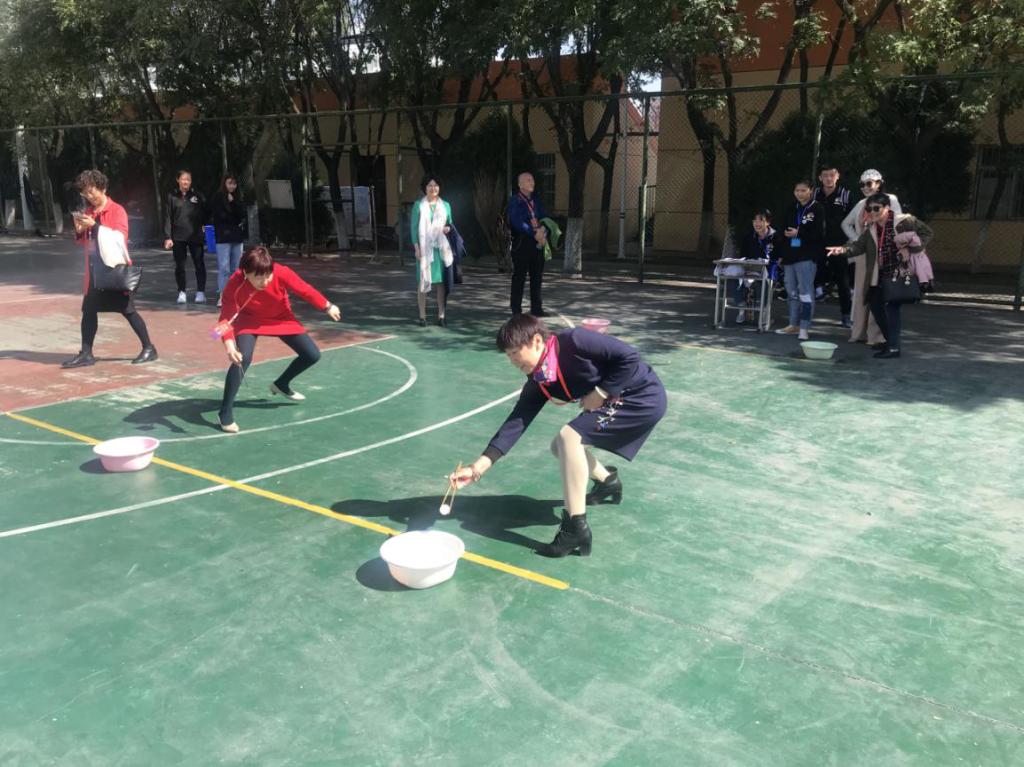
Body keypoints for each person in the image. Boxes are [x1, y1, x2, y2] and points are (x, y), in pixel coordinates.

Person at [448, 314, 667, 558]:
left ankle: (575, 528)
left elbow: (630, 357)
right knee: (559, 446)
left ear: (537, 341)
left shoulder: (574, 341)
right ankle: (608, 482)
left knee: (568, 438)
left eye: (515, 352)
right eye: (508, 356)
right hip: (613, 401)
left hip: (640, 397)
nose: (513, 361)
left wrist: (601, 391)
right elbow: (517, 421)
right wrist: (477, 467)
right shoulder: (541, 379)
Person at [215, 246, 341, 432]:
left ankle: (281, 384)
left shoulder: (281, 272)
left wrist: (327, 306)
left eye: (268, 276)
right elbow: (225, 316)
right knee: (243, 358)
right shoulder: (234, 282)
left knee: (312, 355)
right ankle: (225, 412)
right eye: (259, 277)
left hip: (281, 318)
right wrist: (229, 346)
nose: (265, 282)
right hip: (248, 321)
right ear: (246, 273)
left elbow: (304, 289)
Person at [62, 170, 157, 368]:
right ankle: (86, 353)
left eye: (92, 191)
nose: (89, 196)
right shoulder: (89, 212)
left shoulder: (117, 210)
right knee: (89, 311)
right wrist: (80, 232)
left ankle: (149, 348)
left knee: (128, 310)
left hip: (113, 271)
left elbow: (120, 239)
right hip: (94, 271)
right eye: (85, 193)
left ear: (103, 188)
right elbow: (85, 242)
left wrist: (95, 226)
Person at [827, 192, 932, 359]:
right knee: (876, 307)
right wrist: (842, 250)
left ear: (887, 208)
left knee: (892, 309)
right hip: (878, 274)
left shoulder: (904, 221)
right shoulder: (871, 229)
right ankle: (890, 341)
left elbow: (927, 233)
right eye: (869, 209)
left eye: (876, 208)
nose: (872, 212)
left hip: (898, 273)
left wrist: (910, 248)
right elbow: (858, 247)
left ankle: (894, 348)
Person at [842, 169, 902, 346]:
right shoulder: (861, 203)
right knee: (861, 294)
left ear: (879, 183)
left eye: (869, 183)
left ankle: (877, 337)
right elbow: (845, 224)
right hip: (864, 256)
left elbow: (897, 223)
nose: (865, 187)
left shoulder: (890, 200)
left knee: (880, 295)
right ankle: (859, 333)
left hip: (884, 256)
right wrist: (858, 240)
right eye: (862, 184)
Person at [775, 180, 825, 340]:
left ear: (811, 191)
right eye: (797, 190)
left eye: (803, 190)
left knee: (805, 292)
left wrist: (799, 233)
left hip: (807, 256)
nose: (800, 193)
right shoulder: (791, 208)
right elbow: (782, 230)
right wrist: (781, 253)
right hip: (790, 256)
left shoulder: (817, 208)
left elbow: (818, 234)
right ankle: (793, 324)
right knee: (791, 292)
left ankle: (804, 327)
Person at [813, 163, 854, 326]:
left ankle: (846, 315)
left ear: (837, 177)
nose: (828, 178)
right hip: (817, 243)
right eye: (825, 175)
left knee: (843, 280)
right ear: (820, 178)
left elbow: (852, 220)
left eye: (832, 175)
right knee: (811, 276)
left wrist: (849, 242)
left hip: (838, 244)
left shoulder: (845, 195)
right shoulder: (814, 194)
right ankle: (805, 315)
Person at [411, 174, 453, 327]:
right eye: (430, 185)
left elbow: (450, 224)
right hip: (424, 249)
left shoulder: (446, 205)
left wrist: (447, 229)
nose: (433, 188)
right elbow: (413, 228)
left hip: (440, 249)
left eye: (436, 185)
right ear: (425, 188)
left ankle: (441, 315)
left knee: (441, 283)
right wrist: (417, 248)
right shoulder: (418, 205)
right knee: (423, 281)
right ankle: (422, 316)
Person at [163, 169, 208, 304]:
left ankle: (201, 292)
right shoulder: (171, 196)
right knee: (180, 266)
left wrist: (205, 225)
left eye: (188, 179)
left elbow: (206, 212)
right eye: (183, 179)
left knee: (199, 264)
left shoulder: (197, 196)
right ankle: (182, 292)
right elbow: (167, 217)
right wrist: (168, 237)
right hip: (178, 237)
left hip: (195, 235)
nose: (186, 182)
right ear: (178, 180)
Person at [508, 172, 548, 317]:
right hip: (522, 242)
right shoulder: (515, 201)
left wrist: (543, 230)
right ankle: (516, 310)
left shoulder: (536, 201)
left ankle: (537, 308)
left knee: (537, 276)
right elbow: (517, 222)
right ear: (520, 185)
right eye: (528, 180)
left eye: (532, 180)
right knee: (519, 276)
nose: (532, 182)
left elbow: (544, 217)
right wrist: (533, 232)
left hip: (537, 242)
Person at [734, 208, 783, 324]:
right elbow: (743, 257)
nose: (757, 223)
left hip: (769, 270)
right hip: (750, 269)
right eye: (755, 220)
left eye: (761, 220)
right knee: (733, 279)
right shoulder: (748, 237)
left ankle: (765, 312)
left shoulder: (776, 237)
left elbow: (780, 258)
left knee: (765, 283)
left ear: (768, 222)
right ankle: (742, 308)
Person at [210, 172, 247, 308]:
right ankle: (223, 296)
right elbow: (220, 216)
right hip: (223, 237)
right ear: (224, 183)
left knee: (236, 268)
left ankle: (235, 296)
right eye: (229, 183)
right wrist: (233, 215)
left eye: (234, 183)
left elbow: (242, 215)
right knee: (224, 267)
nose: (232, 186)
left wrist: (233, 203)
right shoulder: (218, 197)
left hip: (237, 237)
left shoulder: (238, 197)